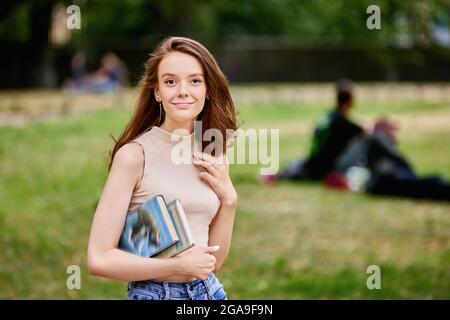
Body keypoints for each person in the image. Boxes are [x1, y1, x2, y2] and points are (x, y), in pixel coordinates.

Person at [87, 37, 239, 300]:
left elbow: (212, 263)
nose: (183, 91)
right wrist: (177, 266)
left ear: (207, 89)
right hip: (155, 293)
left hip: (209, 292)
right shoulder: (135, 156)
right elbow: (98, 259)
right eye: (170, 82)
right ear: (157, 91)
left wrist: (229, 201)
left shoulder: (212, 153)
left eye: (195, 80)